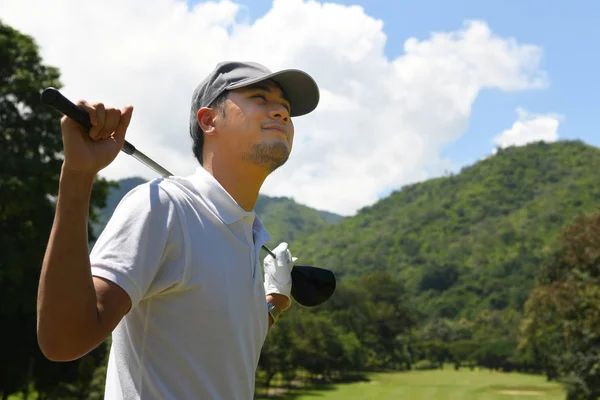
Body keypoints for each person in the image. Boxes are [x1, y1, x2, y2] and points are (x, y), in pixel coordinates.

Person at [37, 61, 320, 399]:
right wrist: (78, 175)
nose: (281, 113)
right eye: (260, 98)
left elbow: (228, 338)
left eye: (286, 108)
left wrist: (275, 298)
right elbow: (65, 339)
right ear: (208, 120)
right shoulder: (165, 207)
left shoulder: (249, 237)